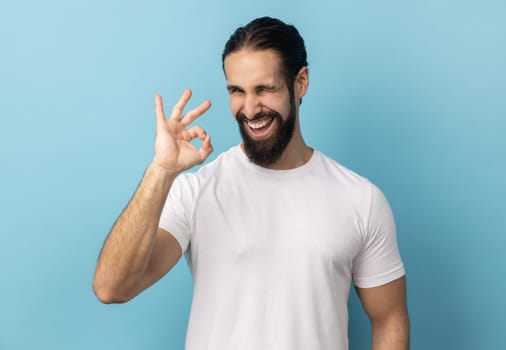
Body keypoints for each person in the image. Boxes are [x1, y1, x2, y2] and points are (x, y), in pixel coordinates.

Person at [93, 16, 410, 350]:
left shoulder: (360, 199)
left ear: (300, 83)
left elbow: (389, 318)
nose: (249, 108)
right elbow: (112, 288)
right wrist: (161, 170)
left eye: (264, 89)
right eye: (237, 91)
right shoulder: (196, 191)